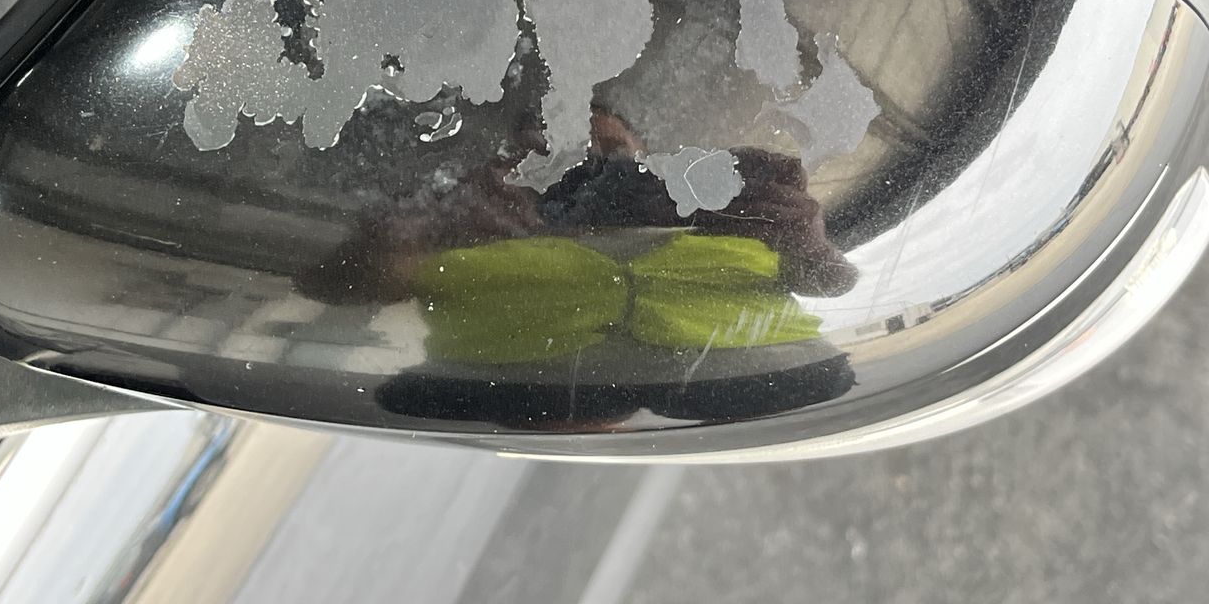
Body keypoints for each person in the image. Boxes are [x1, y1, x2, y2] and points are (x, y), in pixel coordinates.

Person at [298, 107, 858, 430]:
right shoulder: (466, 213)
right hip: (511, 383)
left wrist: (786, 222)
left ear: (642, 152)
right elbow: (326, 282)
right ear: (510, 164)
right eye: (552, 154)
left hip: (727, 372)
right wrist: (401, 247)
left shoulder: (703, 197)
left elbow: (831, 278)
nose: (584, 172)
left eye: (604, 153)